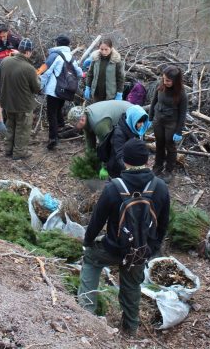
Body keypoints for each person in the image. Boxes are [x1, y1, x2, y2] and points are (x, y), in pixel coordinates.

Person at [78, 139, 170, 336]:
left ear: (124, 161)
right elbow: (163, 224)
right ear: (147, 161)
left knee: (91, 260)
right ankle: (130, 329)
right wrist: (152, 248)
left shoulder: (113, 187)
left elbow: (97, 221)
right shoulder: (160, 187)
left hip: (112, 249)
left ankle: (85, 314)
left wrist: (87, 242)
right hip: (139, 252)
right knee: (131, 285)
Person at [0, 38, 40, 160]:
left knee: (10, 125)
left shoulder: (5, 61)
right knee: (22, 129)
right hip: (23, 105)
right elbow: (37, 88)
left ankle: (8, 149)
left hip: (7, 102)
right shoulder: (29, 68)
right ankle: (19, 152)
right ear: (27, 52)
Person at [40, 34, 83, 150]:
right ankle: (60, 129)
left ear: (57, 43)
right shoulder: (71, 57)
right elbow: (79, 73)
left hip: (54, 90)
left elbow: (45, 72)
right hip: (65, 90)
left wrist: (39, 86)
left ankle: (53, 138)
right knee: (58, 110)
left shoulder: (54, 55)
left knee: (51, 113)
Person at [149, 65, 188, 178]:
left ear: (175, 81)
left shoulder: (181, 94)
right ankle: (157, 166)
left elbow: (182, 113)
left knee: (170, 146)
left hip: (171, 123)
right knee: (159, 144)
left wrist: (179, 131)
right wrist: (150, 118)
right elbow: (153, 102)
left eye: (168, 80)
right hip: (158, 120)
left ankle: (169, 170)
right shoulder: (160, 86)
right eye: (164, 79)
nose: (165, 82)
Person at [68, 99, 132, 154]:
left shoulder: (99, 124)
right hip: (120, 110)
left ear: (82, 120)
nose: (74, 127)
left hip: (131, 114)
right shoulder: (85, 115)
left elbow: (108, 144)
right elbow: (89, 139)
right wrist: (90, 157)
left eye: (74, 124)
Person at [106, 105, 151, 179]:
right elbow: (119, 155)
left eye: (143, 122)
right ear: (132, 119)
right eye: (139, 122)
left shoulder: (137, 129)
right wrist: (133, 170)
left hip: (131, 165)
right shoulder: (119, 133)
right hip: (118, 169)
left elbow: (141, 144)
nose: (142, 125)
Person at [84, 37, 125, 104]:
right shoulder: (95, 58)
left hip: (110, 96)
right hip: (96, 94)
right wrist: (88, 87)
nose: (104, 51)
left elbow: (120, 79)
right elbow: (90, 74)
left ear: (111, 48)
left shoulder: (116, 61)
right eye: (101, 49)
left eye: (106, 49)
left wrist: (119, 93)